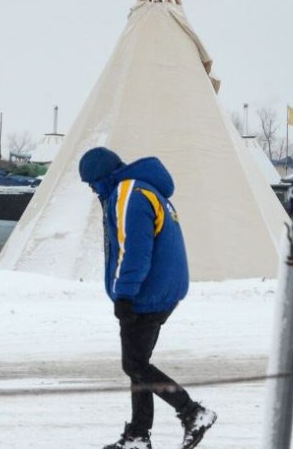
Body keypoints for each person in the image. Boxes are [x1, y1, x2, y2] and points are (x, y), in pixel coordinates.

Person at [79, 146, 217, 449]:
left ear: (102, 177)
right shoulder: (145, 189)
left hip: (147, 293)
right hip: (161, 290)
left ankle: (192, 412)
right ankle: (139, 435)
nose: (91, 190)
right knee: (138, 364)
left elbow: (135, 250)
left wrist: (125, 294)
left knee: (136, 365)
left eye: (91, 182)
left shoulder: (128, 193)